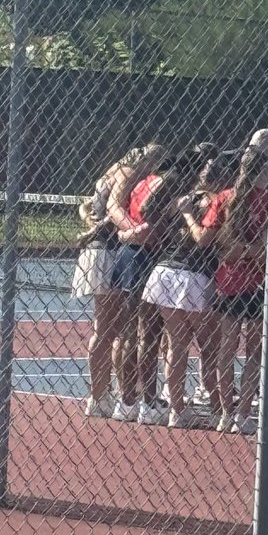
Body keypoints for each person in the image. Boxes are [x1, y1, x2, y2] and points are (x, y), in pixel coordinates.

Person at [75, 143, 165, 419]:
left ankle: (111, 391)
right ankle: (99, 395)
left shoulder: (110, 171)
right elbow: (113, 209)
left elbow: (88, 208)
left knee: (111, 330)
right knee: (110, 330)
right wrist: (133, 229)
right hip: (107, 251)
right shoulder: (126, 173)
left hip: (103, 249)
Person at [139, 161, 221, 429]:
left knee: (178, 345)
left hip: (166, 273)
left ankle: (178, 409)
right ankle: (219, 408)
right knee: (209, 346)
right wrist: (186, 216)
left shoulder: (183, 198)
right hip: (190, 274)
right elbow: (201, 239)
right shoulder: (214, 201)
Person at [207, 145, 268, 434]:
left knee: (227, 349)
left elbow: (216, 241)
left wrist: (239, 250)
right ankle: (243, 413)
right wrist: (250, 250)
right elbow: (266, 247)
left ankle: (226, 413)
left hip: (231, 279)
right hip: (256, 280)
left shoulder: (224, 198)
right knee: (254, 350)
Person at [107, 146, 171, 424]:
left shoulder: (139, 184)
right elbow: (157, 219)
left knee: (128, 331)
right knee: (149, 333)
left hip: (129, 255)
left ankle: (127, 399)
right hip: (145, 257)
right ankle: (147, 401)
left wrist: (128, 233)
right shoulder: (160, 185)